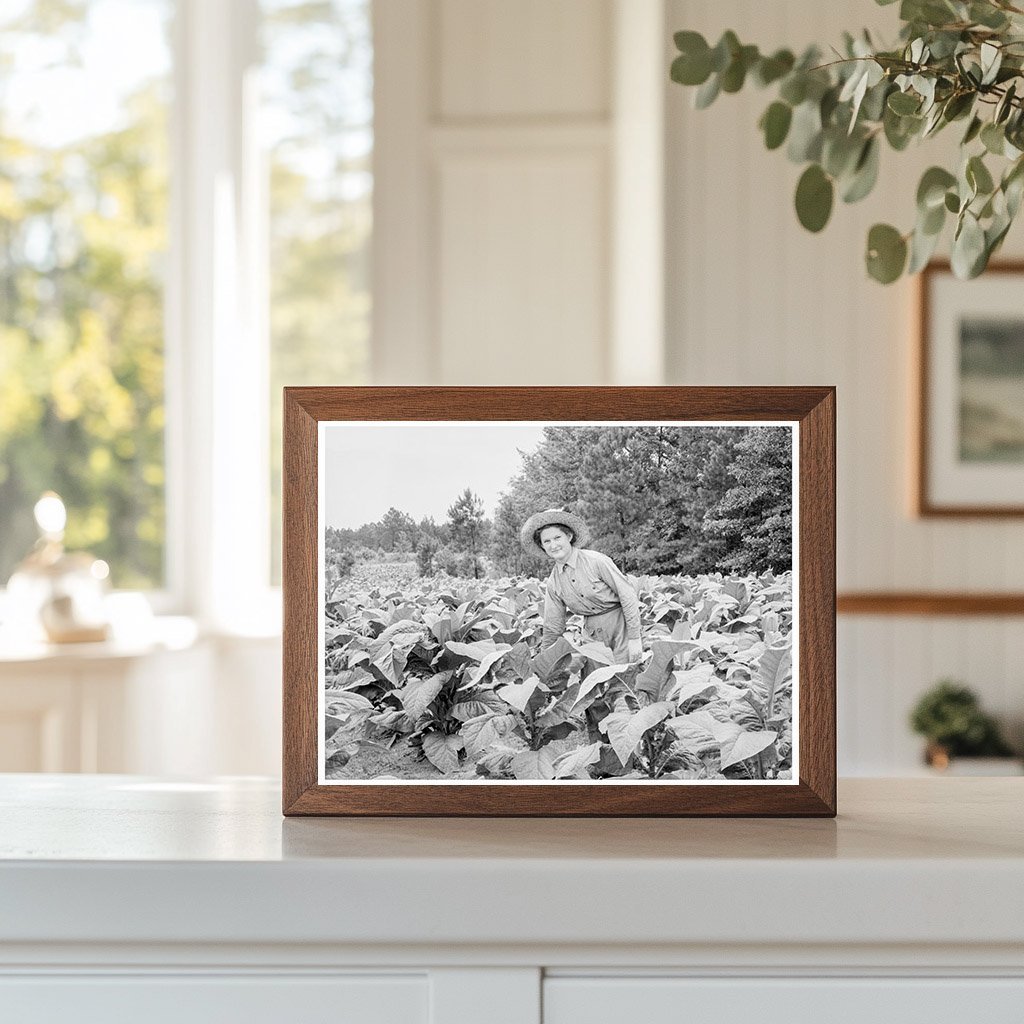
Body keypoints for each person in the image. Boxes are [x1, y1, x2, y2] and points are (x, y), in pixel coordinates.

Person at [520, 508, 642, 663]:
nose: (553, 545)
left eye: (557, 537)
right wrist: (545, 660)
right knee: (594, 682)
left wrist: (634, 638)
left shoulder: (596, 561)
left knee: (625, 677)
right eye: (547, 541)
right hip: (591, 635)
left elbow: (627, 595)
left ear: (569, 537)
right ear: (542, 547)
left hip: (621, 627)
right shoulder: (553, 582)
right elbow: (553, 625)